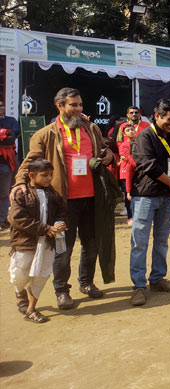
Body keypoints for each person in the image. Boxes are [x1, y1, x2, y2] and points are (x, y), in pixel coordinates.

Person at [15, 87, 114, 310]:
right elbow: (30, 161)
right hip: (62, 202)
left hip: (92, 198)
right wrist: (20, 183)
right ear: (60, 106)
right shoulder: (45, 134)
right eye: (73, 105)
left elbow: (105, 151)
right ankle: (61, 290)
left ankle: (87, 283)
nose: (78, 109)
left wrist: (109, 156)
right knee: (63, 248)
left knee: (91, 244)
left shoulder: (91, 129)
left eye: (80, 105)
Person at [129, 98, 170, 307]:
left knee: (162, 239)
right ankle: (138, 285)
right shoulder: (144, 136)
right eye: (168, 119)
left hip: (169, 198)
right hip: (145, 196)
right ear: (157, 116)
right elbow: (149, 166)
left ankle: (157, 279)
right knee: (140, 241)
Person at [8, 159, 66, 323]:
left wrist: (59, 223)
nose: (49, 178)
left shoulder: (53, 193)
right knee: (19, 274)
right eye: (45, 175)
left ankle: (31, 309)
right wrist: (45, 228)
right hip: (25, 242)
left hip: (47, 242)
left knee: (41, 274)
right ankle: (20, 293)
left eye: (50, 175)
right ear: (32, 175)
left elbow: (62, 210)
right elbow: (17, 219)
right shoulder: (21, 193)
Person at [0, 100, 20, 230]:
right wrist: (5, 134)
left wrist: (5, 136)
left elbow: (12, 138)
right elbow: (8, 137)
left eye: (1, 105)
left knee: (3, 193)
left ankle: (2, 220)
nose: (0, 107)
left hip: (6, 163)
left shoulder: (11, 120)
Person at [118, 124, 137, 225]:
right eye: (128, 130)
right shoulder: (124, 145)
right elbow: (127, 156)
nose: (131, 131)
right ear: (124, 133)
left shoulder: (138, 142)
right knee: (128, 194)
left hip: (136, 171)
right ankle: (130, 216)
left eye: (132, 129)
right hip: (126, 172)